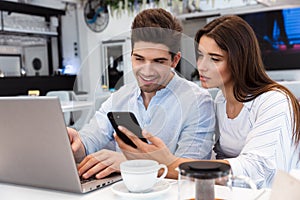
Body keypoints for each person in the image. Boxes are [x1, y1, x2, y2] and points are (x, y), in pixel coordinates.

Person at [115, 15, 300, 188]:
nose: (201, 66)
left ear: (239, 61)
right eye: (201, 55)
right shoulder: (221, 101)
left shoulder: (274, 101)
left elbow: (256, 169)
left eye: (215, 59)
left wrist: (171, 164)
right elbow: (220, 158)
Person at [67, 8, 215, 180]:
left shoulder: (198, 102)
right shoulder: (120, 97)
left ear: (175, 60)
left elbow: (190, 171)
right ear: (131, 56)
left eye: (158, 61)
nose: (147, 71)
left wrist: (130, 163)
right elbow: (90, 139)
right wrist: (76, 145)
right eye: (139, 59)